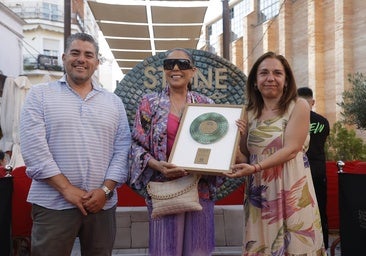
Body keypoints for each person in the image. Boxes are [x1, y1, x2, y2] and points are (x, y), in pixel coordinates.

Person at [19, 32, 131, 255]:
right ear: (63, 57)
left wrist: (105, 190)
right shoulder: (39, 95)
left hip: (101, 205)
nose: (82, 59)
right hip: (53, 203)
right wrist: (67, 189)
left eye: (89, 55)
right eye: (75, 53)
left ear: (97, 63)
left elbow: (123, 150)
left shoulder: (114, 102)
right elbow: (34, 149)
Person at [227, 51, 326, 255]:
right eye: (263, 73)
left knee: (296, 245)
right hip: (260, 194)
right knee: (261, 247)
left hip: (292, 187)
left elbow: (291, 149)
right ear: (255, 81)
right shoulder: (249, 111)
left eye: (277, 73)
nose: (270, 78)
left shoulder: (298, 105)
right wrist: (234, 143)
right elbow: (247, 156)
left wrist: (255, 167)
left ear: (286, 80)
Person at [129, 48, 225, 256]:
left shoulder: (205, 104)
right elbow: (135, 145)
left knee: (197, 251)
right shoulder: (150, 103)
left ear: (192, 71)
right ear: (164, 70)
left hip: (199, 188)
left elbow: (217, 144)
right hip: (165, 188)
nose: (175, 68)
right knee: (166, 250)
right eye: (169, 64)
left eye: (181, 64)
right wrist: (157, 165)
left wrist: (233, 134)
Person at [297, 86, 330, 249]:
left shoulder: (293, 120)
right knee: (321, 209)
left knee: (299, 210)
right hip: (318, 169)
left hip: (299, 169)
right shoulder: (323, 121)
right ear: (313, 102)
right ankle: (323, 245)